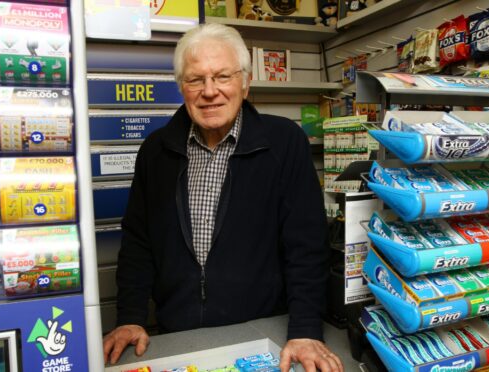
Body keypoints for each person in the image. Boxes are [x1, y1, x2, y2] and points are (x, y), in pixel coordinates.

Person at [103, 23, 343, 372]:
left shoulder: (284, 142)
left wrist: (306, 329)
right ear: (182, 87)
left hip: (263, 333)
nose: (209, 91)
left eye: (222, 76)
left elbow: (306, 245)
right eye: (195, 79)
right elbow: (139, 244)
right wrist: (130, 317)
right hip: (178, 334)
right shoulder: (155, 151)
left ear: (245, 83)